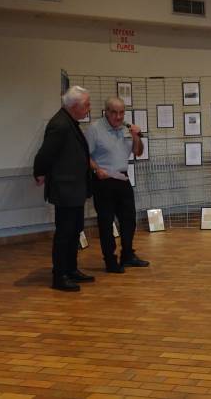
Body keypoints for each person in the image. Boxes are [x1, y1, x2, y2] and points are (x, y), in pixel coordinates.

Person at [33, 86, 93, 292]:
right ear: (74, 106)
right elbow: (45, 154)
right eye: (86, 105)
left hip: (74, 187)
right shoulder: (60, 124)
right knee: (65, 233)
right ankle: (59, 276)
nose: (89, 108)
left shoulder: (69, 121)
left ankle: (71, 269)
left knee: (75, 230)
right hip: (65, 188)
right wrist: (39, 173)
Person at [84, 97, 150, 273]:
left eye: (122, 112)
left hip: (122, 178)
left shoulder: (127, 129)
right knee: (106, 223)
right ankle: (110, 260)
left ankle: (128, 255)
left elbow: (138, 151)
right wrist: (97, 169)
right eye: (115, 112)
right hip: (103, 180)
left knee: (129, 219)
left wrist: (136, 136)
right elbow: (85, 155)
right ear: (106, 112)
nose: (119, 116)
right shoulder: (94, 129)